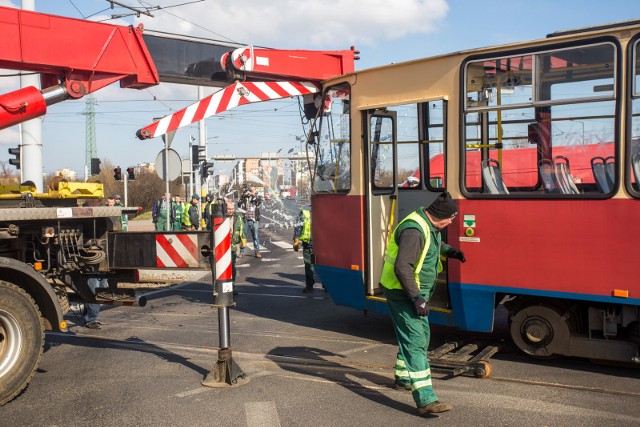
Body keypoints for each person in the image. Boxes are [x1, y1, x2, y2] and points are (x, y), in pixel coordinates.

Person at [379, 191, 466, 416]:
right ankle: (426, 399)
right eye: (452, 218)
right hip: (404, 293)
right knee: (416, 341)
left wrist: (450, 251)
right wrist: (416, 297)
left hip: (417, 292)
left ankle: (402, 377)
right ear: (441, 216)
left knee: (418, 336)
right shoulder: (414, 231)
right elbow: (402, 268)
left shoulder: (429, 226)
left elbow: (432, 245)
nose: (453, 221)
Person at [293, 206, 315, 293]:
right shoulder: (325, 208)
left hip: (310, 244)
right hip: (315, 245)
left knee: (309, 266)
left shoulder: (304, 212)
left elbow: (298, 227)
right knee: (317, 265)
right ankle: (326, 286)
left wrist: (296, 239)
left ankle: (309, 285)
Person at [227, 200, 245, 296]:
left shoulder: (237, 216)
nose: (231, 211)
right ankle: (219, 287)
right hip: (222, 248)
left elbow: (242, 227)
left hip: (233, 246)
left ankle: (232, 286)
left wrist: (243, 239)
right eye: (229, 209)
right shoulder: (221, 217)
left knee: (232, 268)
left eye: (232, 209)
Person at [238, 187, 262, 258]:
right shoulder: (245, 199)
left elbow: (258, 202)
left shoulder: (257, 198)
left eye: (252, 190)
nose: (250, 192)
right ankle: (242, 252)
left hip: (254, 221)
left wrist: (253, 196)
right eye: (249, 190)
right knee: (243, 236)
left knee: (255, 236)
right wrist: (243, 196)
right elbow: (239, 205)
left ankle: (257, 251)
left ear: (255, 191)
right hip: (246, 220)